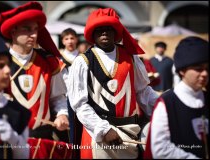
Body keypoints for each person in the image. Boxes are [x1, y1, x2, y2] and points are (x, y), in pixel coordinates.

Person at [68, 8, 159, 159]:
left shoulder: (131, 57)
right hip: (97, 137)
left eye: (108, 29)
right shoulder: (82, 61)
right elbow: (79, 104)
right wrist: (103, 130)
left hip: (130, 133)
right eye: (99, 29)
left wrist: (162, 110)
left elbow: (143, 91)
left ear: (115, 32)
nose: (104, 33)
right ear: (92, 33)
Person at [0, 2, 71, 159]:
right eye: (27, 29)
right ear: (13, 31)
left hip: (42, 141)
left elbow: (58, 98)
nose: (34, 35)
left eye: (36, 29)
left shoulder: (49, 62)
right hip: (8, 143)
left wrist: (62, 115)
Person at [144, 36, 209, 159]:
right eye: (198, 69)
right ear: (182, 71)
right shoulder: (167, 103)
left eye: (207, 69)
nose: (205, 74)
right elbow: (161, 150)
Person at [59, 28, 82, 159]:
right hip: (64, 99)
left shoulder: (84, 57)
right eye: (66, 38)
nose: (70, 41)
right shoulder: (59, 58)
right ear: (62, 41)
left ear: (77, 39)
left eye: (72, 38)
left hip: (81, 99)